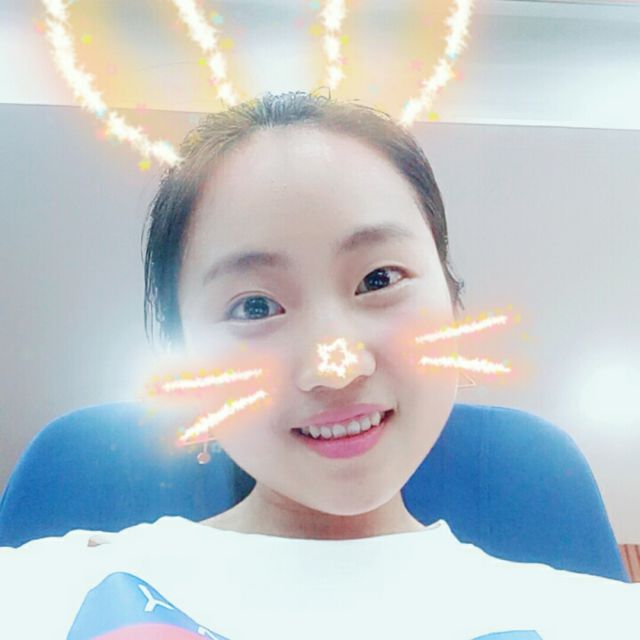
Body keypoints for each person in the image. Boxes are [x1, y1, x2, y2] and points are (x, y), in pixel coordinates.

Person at [1, 91, 638, 639]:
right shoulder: (48, 588)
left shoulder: (597, 618)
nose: (335, 368)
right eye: (255, 306)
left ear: (452, 300)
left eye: (379, 278)